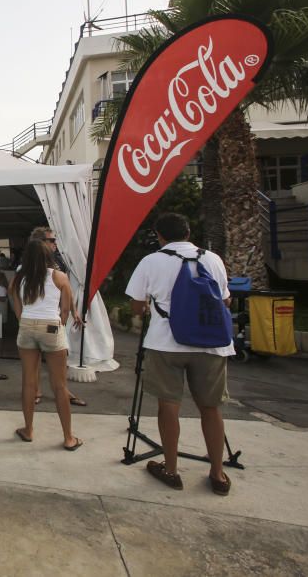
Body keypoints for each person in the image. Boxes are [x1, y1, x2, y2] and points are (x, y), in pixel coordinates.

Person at [126, 213, 234, 496]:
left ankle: (171, 470)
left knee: (169, 405)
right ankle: (218, 473)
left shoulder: (151, 261)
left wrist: (153, 307)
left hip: (166, 343)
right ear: (188, 232)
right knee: (211, 408)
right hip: (211, 344)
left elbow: (137, 307)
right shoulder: (212, 259)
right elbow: (225, 300)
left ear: (159, 235)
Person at [9, 238, 83, 450]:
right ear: (48, 256)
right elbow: (66, 309)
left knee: (28, 382)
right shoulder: (58, 276)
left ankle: (28, 430)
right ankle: (69, 437)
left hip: (26, 326)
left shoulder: (19, 278)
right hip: (51, 326)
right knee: (59, 385)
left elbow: (16, 303)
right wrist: (59, 325)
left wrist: (23, 319)